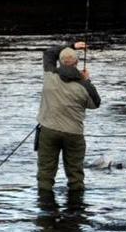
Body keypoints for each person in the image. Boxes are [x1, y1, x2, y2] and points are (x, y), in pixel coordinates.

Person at [36, 41, 101, 193]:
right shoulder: (84, 86)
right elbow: (95, 104)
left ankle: (45, 210)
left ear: (60, 61)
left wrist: (72, 45)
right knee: (75, 176)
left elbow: (48, 53)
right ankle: (76, 211)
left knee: (45, 175)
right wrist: (86, 80)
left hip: (48, 132)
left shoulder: (49, 75)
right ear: (77, 63)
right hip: (74, 134)